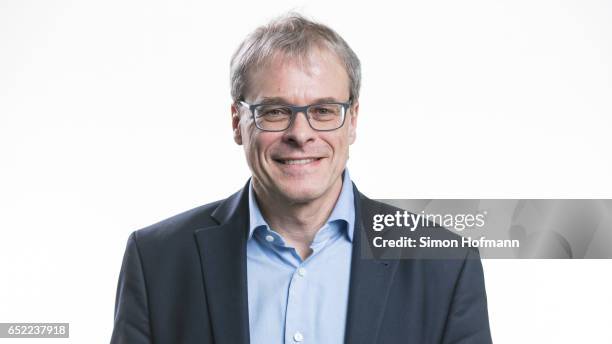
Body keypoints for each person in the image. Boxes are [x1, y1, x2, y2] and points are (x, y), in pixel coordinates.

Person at [110, 13, 492, 344]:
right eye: (275, 111)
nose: (301, 133)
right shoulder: (157, 260)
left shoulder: (445, 263)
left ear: (353, 120)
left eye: (324, 110)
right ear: (237, 123)